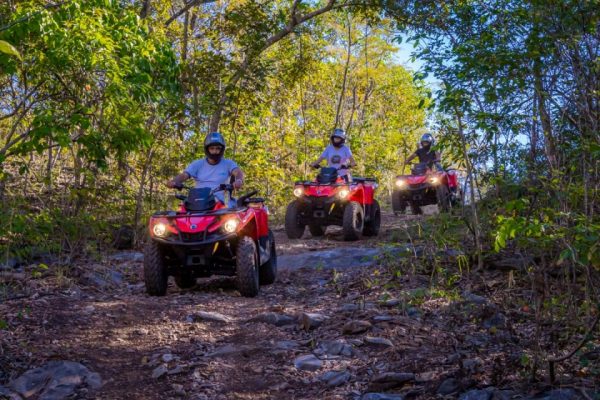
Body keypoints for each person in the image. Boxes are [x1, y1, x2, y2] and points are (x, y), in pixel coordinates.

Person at [167, 132, 244, 204]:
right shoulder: (197, 164)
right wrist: (174, 181)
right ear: (207, 149)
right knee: (183, 211)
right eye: (212, 148)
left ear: (222, 149)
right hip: (199, 200)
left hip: (223, 201)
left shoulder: (228, 163)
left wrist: (239, 180)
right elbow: (184, 175)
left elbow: (237, 172)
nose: (215, 151)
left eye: (218, 148)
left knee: (234, 214)